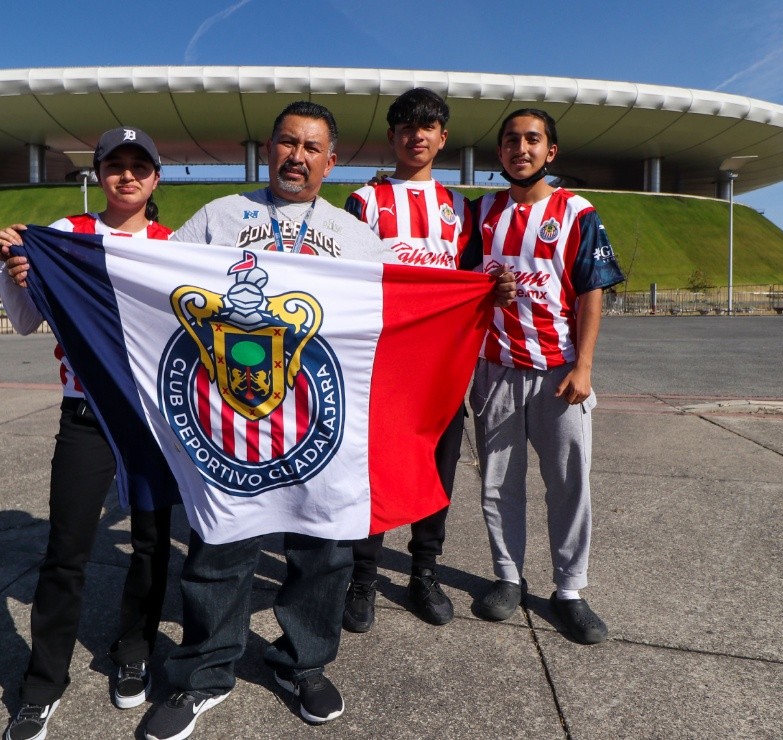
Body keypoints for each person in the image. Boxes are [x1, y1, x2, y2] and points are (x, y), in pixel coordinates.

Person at [141, 101, 398, 740]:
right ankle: (204, 671)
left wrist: (481, 297)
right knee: (220, 547)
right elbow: (153, 285)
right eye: (287, 143)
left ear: (332, 161)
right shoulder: (221, 216)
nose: (297, 156)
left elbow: (399, 319)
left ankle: (301, 662)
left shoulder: (358, 237)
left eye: (312, 148)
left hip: (322, 424)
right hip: (231, 423)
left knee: (323, 549)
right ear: (268, 148)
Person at [0, 126, 178, 740]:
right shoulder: (67, 235)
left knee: (151, 546)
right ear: (98, 175)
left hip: (154, 421)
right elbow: (23, 323)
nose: (126, 176)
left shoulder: (175, 246)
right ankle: (42, 685)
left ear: (155, 177)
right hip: (86, 416)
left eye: (138, 165)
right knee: (66, 552)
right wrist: (6, 268)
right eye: (114, 165)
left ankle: (134, 653)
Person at [463, 108, 624, 645]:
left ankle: (570, 590)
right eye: (511, 140)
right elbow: (459, 283)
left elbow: (591, 291)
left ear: (550, 152)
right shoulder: (480, 212)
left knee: (567, 483)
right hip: (497, 369)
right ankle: (507, 577)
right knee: (497, 483)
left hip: (559, 373)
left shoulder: (577, 212)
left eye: (532, 140)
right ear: (500, 152)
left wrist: (584, 365)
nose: (521, 149)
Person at [340, 87, 468, 631]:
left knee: (438, 471)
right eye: (406, 126)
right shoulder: (364, 203)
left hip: (442, 366)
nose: (418, 134)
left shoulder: (462, 208)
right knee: (373, 473)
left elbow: (476, 281)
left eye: (429, 125)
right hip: (383, 367)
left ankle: (423, 572)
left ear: (442, 137)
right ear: (392, 136)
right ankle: (362, 578)